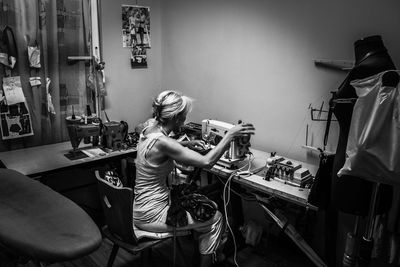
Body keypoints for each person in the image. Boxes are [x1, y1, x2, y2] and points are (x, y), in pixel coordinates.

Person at [133, 90, 255, 267]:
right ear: (174, 117)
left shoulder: (149, 128)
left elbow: (161, 147)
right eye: (183, 117)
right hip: (151, 215)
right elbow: (207, 162)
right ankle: (208, 258)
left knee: (205, 207)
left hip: (142, 205)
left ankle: (206, 255)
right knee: (216, 219)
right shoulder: (163, 142)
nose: (184, 121)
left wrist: (186, 144)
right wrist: (229, 135)